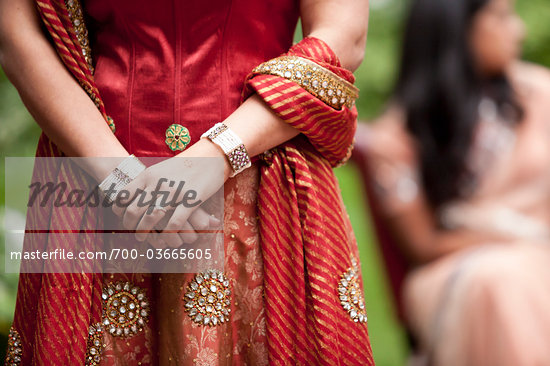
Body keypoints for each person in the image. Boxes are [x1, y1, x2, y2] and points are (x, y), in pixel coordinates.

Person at [0, 0, 374, 364]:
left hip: (261, 182)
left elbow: (343, 35)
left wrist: (217, 156)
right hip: (97, 180)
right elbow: (17, 34)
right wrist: (118, 176)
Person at [364, 0, 550, 365]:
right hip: (463, 268)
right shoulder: (397, 138)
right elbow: (423, 245)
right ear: (456, 30)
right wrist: (514, 236)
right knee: (500, 279)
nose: (519, 30)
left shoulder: (541, 95)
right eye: (501, 16)